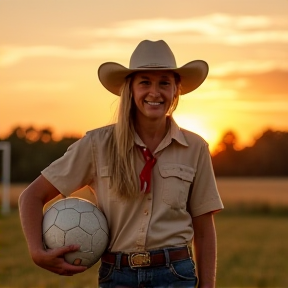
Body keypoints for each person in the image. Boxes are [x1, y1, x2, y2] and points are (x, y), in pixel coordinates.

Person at [19, 39, 224, 288]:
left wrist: (208, 286)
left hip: (176, 275)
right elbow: (31, 196)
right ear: (130, 88)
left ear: (175, 90)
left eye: (164, 83)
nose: (154, 92)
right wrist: (36, 251)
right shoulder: (97, 145)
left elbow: (203, 230)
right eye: (145, 82)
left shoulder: (195, 148)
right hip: (117, 277)